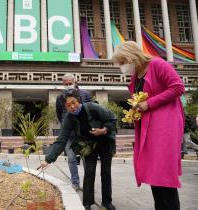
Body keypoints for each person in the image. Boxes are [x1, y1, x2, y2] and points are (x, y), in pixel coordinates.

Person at [112, 41, 185, 210]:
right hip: (149, 126)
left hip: (166, 125)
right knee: (154, 172)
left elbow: (178, 87)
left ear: (132, 56)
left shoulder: (157, 64)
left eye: (123, 62)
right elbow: (140, 100)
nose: (122, 67)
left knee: (163, 172)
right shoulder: (135, 76)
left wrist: (149, 104)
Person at [38, 89, 117, 210]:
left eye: (73, 102)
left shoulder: (92, 107)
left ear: (78, 100)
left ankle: (107, 202)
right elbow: (62, 139)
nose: (72, 107)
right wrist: (48, 160)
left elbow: (112, 119)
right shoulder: (69, 119)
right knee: (89, 172)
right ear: (65, 107)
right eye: (68, 105)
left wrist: (104, 130)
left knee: (106, 172)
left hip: (105, 140)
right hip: (90, 145)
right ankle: (87, 203)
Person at [56, 73, 92, 191]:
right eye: (65, 84)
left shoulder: (85, 94)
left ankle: (88, 183)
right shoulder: (60, 97)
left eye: (70, 83)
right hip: (68, 134)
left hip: (83, 133)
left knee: (85, 157)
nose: (68, 86)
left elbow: (91, 110)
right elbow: (59, 114)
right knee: (71, 158)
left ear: (75, 82)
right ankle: (75, 182)